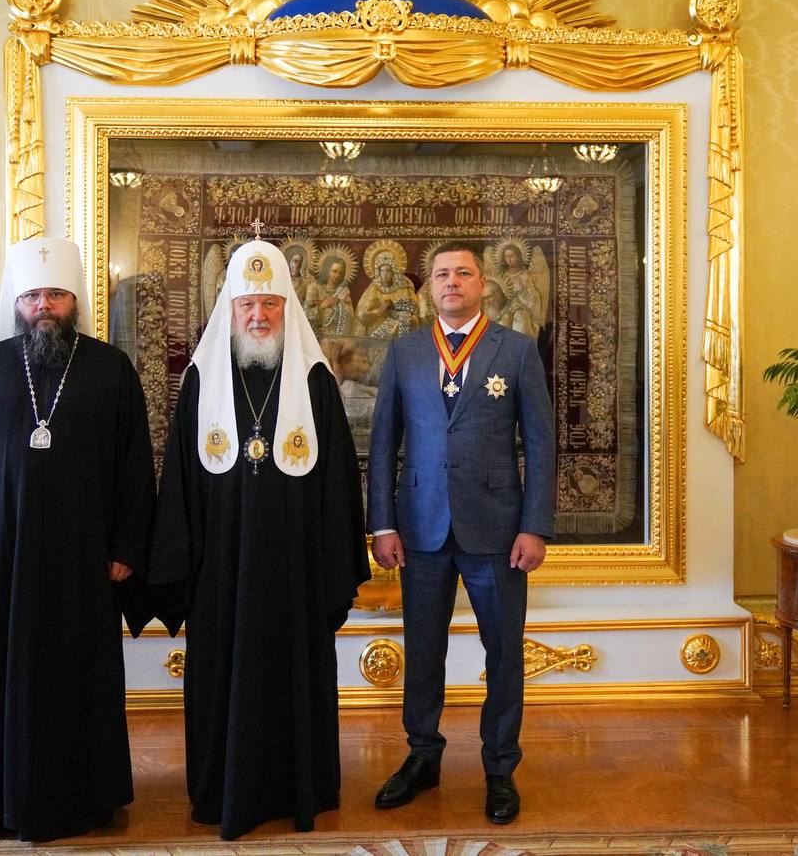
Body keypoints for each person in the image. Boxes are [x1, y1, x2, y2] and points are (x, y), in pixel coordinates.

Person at [0, 236, 157, 842]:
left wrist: (126, 549)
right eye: (32, 296)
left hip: (86, 561)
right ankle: (1, 801)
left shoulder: (111, 370)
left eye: (55, 294)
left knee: (82, 677)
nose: (43, 306)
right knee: (6, 676)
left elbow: (136, 467)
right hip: (3, 558)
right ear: (17, 302)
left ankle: (90, 799)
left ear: (75, 301)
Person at [149, 235, 369, 841]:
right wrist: (181, 565)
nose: (258, 315)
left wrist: (332, 565)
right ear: (230, 309)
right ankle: (220, 787)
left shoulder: (315, 382)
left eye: (270, 303)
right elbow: (180, 484)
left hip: (294, 571)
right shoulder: (201, 382)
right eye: (247, 304)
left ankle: (301, 787)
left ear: (287, 308)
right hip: (220, 573)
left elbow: (337, 486)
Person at [366, 240, 555, 825]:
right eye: (442, 274)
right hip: (420, 528)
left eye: (463, 273)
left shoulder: (516, 350)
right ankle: (423, 756)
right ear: (430, 286)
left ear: (481, 283)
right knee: (424, 650)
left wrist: (535, 527)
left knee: (503, 652)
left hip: (497, 530)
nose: (452, 282)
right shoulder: (404, 353)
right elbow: (383, 443)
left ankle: (499, 767)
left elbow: (541, 445)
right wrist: (382, 522)